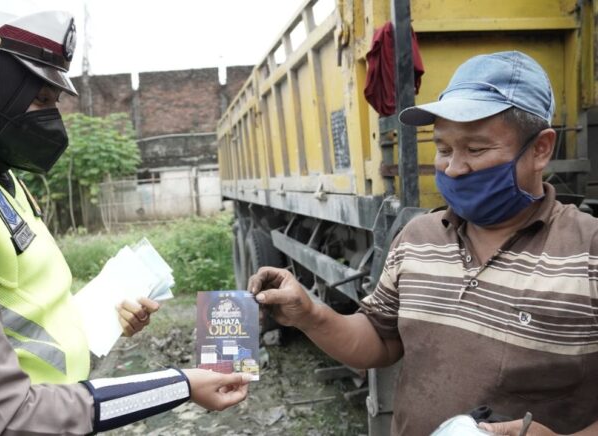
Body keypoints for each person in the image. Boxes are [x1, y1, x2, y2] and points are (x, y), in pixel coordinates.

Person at [0, 1, 249, 435]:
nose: (53, 117)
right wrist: (177, 385)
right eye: (40, 98)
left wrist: (102, 318)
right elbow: (2, 417)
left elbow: (22, 313)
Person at [249, 50, 598, 436]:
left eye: (476, 149)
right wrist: (311, 316)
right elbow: (380, 341)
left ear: (540, 149)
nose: (453, 167)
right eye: (445, 149)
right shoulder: (418, 238)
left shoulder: (588, 250)